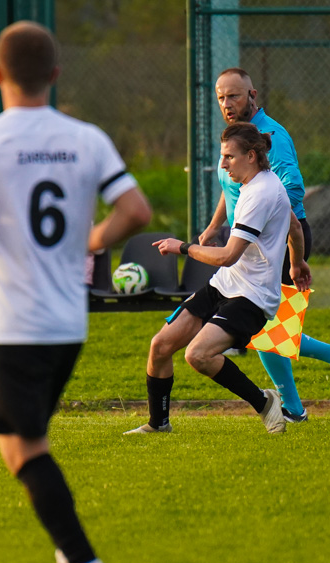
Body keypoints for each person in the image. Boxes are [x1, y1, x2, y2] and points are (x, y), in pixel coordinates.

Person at [0, 21, 151, 563]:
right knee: (26, 442)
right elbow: (136, 213)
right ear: (54, 76)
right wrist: (93, 239)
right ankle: (68, 554)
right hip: (68, 324)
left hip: (12, 328)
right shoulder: (87, 138)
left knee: (22, 450)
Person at [198, 67, 330, 422]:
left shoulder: (272, 135)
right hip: (250, 236)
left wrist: (283, 243)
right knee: (267, 326)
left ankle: (302, 397)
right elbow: (232, 188)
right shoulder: (238, 136)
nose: (227, 103)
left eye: (235, 96)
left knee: (263, 327)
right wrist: (216, 225)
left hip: (280, 236)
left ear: (252, 96)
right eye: (221, 97)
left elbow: (290, 188)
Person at [124, 122, 312, 435]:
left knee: (197, 355)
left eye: (229, 157)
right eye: (221, 156)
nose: (222, 165)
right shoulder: (258, 184)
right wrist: (297, 262)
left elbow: (227, 255)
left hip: (251, 297)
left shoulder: (262, 194)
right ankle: (158, 425)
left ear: (252, 156)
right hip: (225, 284)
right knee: (160, 346)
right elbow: (293, 225)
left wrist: (182, 247)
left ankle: (264, 402)